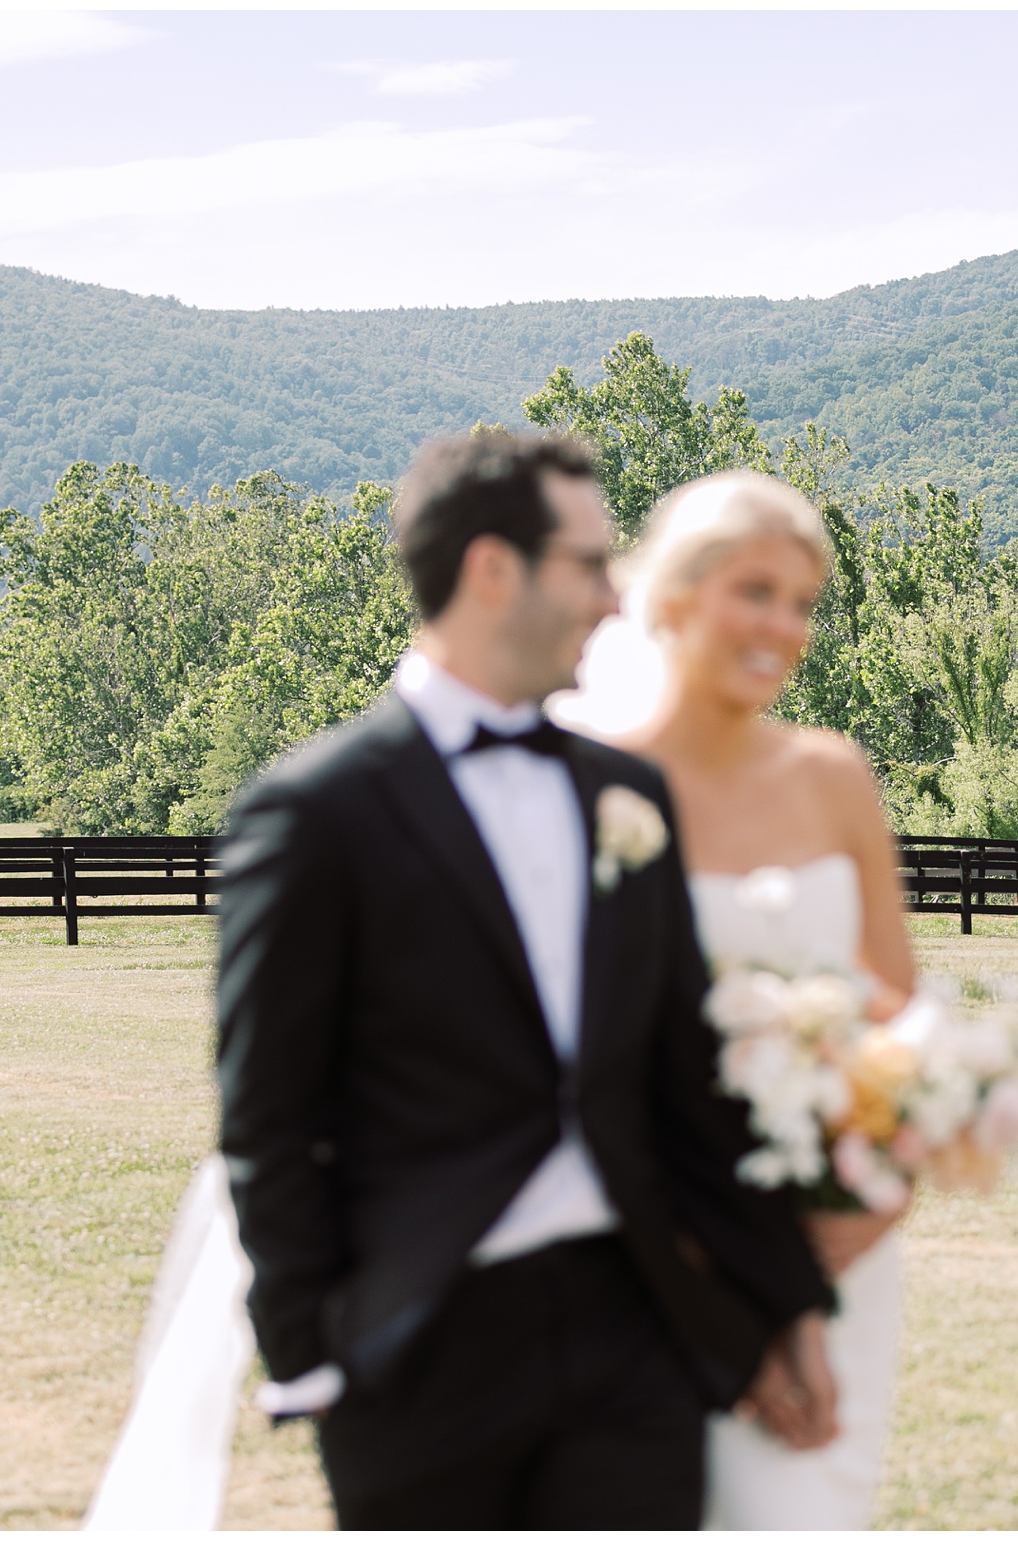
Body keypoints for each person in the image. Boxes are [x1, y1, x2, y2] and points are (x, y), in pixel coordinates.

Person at [212, 433, 839, 1528]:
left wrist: (784, 1298)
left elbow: (681, 1078)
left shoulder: (625, 794)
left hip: (633, 1324)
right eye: (590, 565)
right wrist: (312, 1353)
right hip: (421, 1343)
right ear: (493, 567)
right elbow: (268, 1116)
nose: (613, 599)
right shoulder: (317, 811)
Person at [561, 469, 920, 1529]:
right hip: (654, 1256)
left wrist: (849, 1223)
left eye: (802, 601)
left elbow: (900, 1014)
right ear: (668, 596)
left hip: (838, 1236)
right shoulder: (589, 789)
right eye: (754, 590)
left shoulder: (832, 776)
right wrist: (731, 1280)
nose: (782, 625)